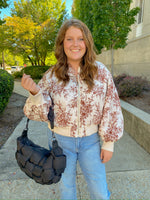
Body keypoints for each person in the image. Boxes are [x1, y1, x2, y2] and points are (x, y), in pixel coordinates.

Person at [21, 18, 124, 200]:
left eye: (80, 38)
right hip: (60, 142)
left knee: (99, 191)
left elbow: (112, 106)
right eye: (69, 39)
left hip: (91, 142)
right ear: (62, 43)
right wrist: (35, 92)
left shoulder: (100, 72)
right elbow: (37, 113)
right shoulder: (52, 75)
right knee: (66, 191)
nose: (75, 44)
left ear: (87, 43)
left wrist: (109, 143)